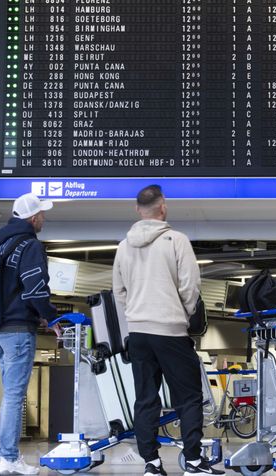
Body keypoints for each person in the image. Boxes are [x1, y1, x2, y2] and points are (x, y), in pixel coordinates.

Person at [113, 185, 222, 476]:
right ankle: (194, 462)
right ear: (163, 207)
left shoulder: (123, 247)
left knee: (145, 398)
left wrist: (135, 314)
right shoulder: (177, 240)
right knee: (189, 397)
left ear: (138, 210)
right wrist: (181, 314)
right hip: (171, 331)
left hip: (138, 334)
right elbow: (190, 286)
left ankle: (151, 463)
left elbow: (118, 291)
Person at [0, 193, 60, 475]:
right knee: (14, 395)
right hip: (17, 328)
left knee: (10, 393)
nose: (44, 218)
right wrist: (52, 318)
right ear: (33, 218)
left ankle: (2, 457)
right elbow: (35, 288)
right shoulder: (29, 245)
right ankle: (7, 456)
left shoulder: (1, 245)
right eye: (42, 214)